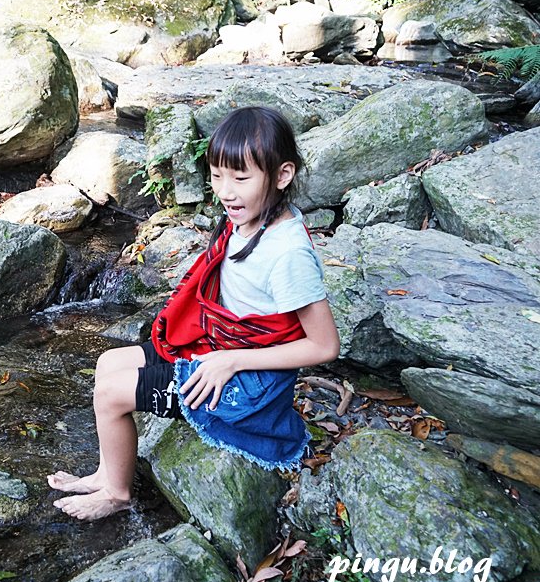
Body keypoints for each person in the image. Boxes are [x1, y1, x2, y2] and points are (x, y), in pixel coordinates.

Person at [48, 106, 341, 521]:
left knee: (111, 394)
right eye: (218, 175)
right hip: (222, 346)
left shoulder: (288, 253)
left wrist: (231, 360)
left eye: (241, 178)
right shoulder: (247, 217)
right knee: (108, 362)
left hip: (248, 378)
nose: (226, 191)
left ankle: (117, 492)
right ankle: (106, 471)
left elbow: (325, 345)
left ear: (282, 176)